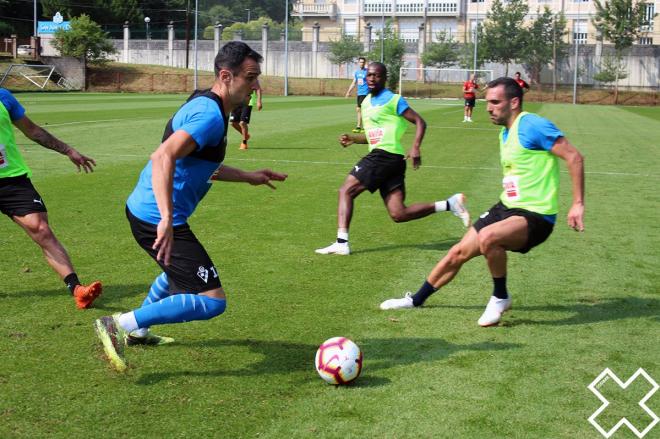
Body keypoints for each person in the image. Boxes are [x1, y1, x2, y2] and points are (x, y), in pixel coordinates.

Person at [93, 42, 288, 372]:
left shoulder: (207, 103)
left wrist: (248, 176)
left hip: (147, 209)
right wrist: (168, 218)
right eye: (251, 77)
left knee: (176, 274)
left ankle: (138, 332)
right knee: (213, 301)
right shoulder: (210, 116)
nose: (256, 86)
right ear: (226, 76)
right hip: (156, 215)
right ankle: (119, 324)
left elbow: (196, 164)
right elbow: (163, 156)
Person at [380, 77, 585, 327]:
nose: (488, 107)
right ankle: (416, 300)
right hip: (506, 208)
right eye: (487, 102)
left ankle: (500, 296)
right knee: (457, 253)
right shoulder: (504, 132)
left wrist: (577, 203)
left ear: (514, 102)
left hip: (536, 216)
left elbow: (574, 157)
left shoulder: (531, 125)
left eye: (495, 102)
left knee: (489, 237)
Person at [315, 62, 470, 256]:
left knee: (346, 190)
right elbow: (373, 137)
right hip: (391, 160)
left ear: (384, 78)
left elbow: (420, 121)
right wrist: (354, 139)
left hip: (384, 156)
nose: (371, 79)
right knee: (398, 213)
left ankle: (341, 242)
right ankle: (450, 204)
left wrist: (415, 146)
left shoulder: (394, 99)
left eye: (376, 76)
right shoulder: (365, 103)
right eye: (369, 75)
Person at [0, 88, 102, 309]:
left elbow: (33, 131)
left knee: (42, 230)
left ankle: (77, 289)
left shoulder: (3, 97)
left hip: (11, 179)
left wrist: (67, 150)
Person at [230, 79, 263, 150]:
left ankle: (244, 142)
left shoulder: (252, 77)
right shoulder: (235, 75)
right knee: (233, 123)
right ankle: (246, 135)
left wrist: (259, 101)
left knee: (242, 123)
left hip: (248, 100)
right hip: (237, 100)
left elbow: (258, 89)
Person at [345, 57, 369, 133]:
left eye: (363, 62)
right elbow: (354, 82)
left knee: (361, 110)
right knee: (359, 110)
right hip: (359, 93)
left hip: (366, 93)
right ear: (358, 63)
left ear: (365, 63)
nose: (361, 63)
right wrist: (348, 92)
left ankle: (363, 127)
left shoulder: (367, 72)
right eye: (360, 62)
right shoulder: (357, 72)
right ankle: (359, 127)